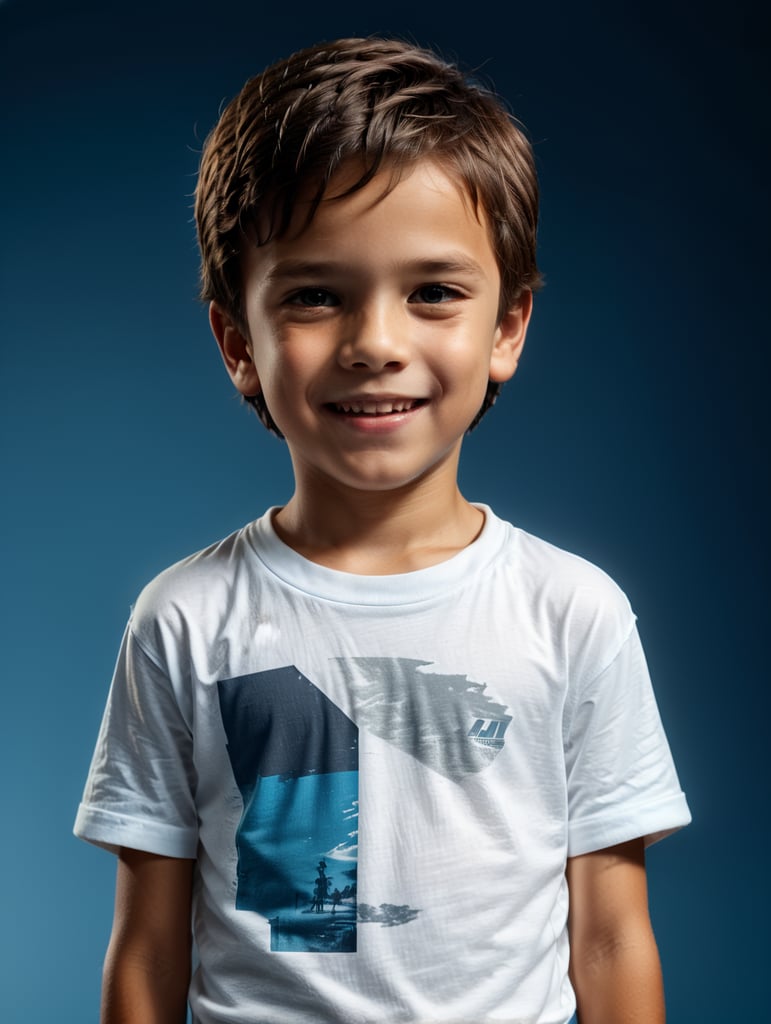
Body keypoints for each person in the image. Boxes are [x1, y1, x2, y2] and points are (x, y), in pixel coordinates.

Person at [74, 36, 691, 1024]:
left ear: (507, 329)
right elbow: (148, 948)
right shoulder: (184, 618)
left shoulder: (574, 611)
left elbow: (611, 935)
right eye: (316, 295)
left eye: (434, 292)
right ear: (239, 341)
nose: (375, 343)